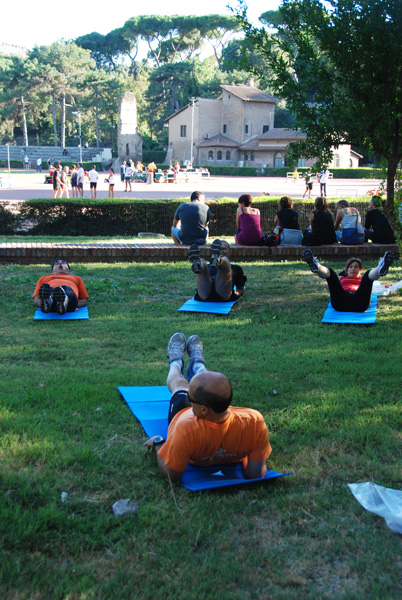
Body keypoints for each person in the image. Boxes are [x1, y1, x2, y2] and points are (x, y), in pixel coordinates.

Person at [143, 332, 272, 483]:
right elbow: (256, 474)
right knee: (207, 383)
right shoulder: (254, 421)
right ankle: (198, 364)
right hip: (216, 412)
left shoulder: (185, 427)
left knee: (179, 384)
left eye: (190, 398)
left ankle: (175, 361)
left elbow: (171, 476)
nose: (189, 399)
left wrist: (158, 443)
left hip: (184, 414)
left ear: (203, 410)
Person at [303, 248, 394, 312]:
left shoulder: (364, 279)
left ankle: (380, 268)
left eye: (356, 267)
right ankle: (316, 266)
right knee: (331, 273)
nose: (353, 269)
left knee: (368, 276)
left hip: (359, 302)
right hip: (340, 301)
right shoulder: (341, 278)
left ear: (360, 270)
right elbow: (332, 282)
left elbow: (374, 285)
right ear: (346, 270)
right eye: (350, 267)